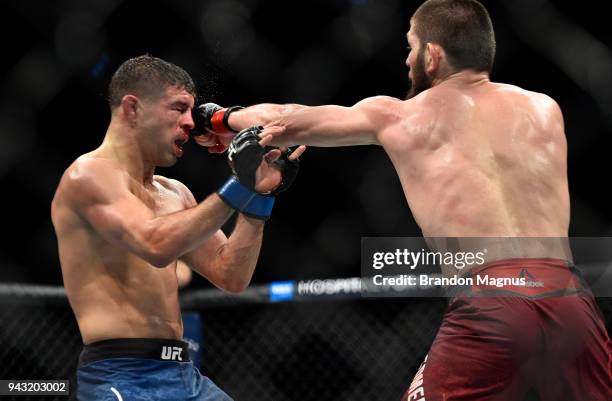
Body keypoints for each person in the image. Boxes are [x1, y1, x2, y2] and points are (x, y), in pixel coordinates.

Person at [195, 0, 611, 400]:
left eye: (410, 47)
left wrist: (218, 117)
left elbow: (287, 117)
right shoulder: (545, 109)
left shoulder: (401, 115)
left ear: (432, 54)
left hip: (490, 297)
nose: (406, 60)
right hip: (568, 298)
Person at [51, 55, 304, 401]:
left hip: (184, 374)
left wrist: (259, 197)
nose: (190, 122)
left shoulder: (174, 192)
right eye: (178, 108)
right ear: (132, 107)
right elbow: (155, 244)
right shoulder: (88, 176)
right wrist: (238, 185)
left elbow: (231, 274)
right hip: (121, 376)